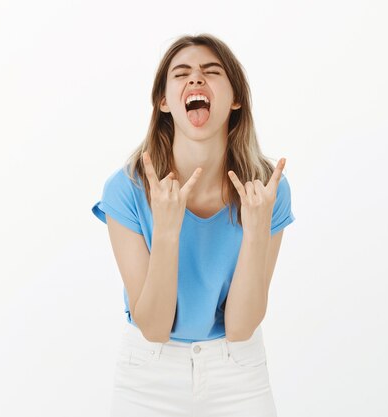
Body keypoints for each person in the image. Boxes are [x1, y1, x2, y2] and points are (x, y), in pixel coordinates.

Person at [92, 33, 295, 417]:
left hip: (239, 373)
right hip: (148, 374)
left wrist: (255, 231)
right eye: (182, 73)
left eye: (211, 72)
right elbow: (153, 326)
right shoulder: (126, 189)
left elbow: (240, 327)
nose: (196, 80)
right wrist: (167, 231)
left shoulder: (266, 191)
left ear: (235, 98)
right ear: (164, 101)